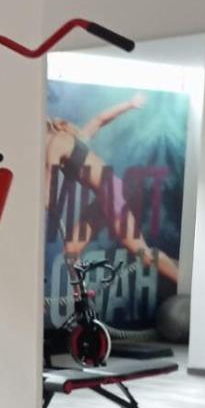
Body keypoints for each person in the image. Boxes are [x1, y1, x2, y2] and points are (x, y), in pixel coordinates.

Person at [45, 94, 180, 284]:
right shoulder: (72, 138)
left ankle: (182, 279)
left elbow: (48, 186)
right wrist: (130, 104)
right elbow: (100, 119)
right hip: (104, 196)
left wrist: (46, 203)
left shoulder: (55, 143)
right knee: (71, 251)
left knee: (142, 254)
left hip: (111, 193)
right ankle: (82, 297)